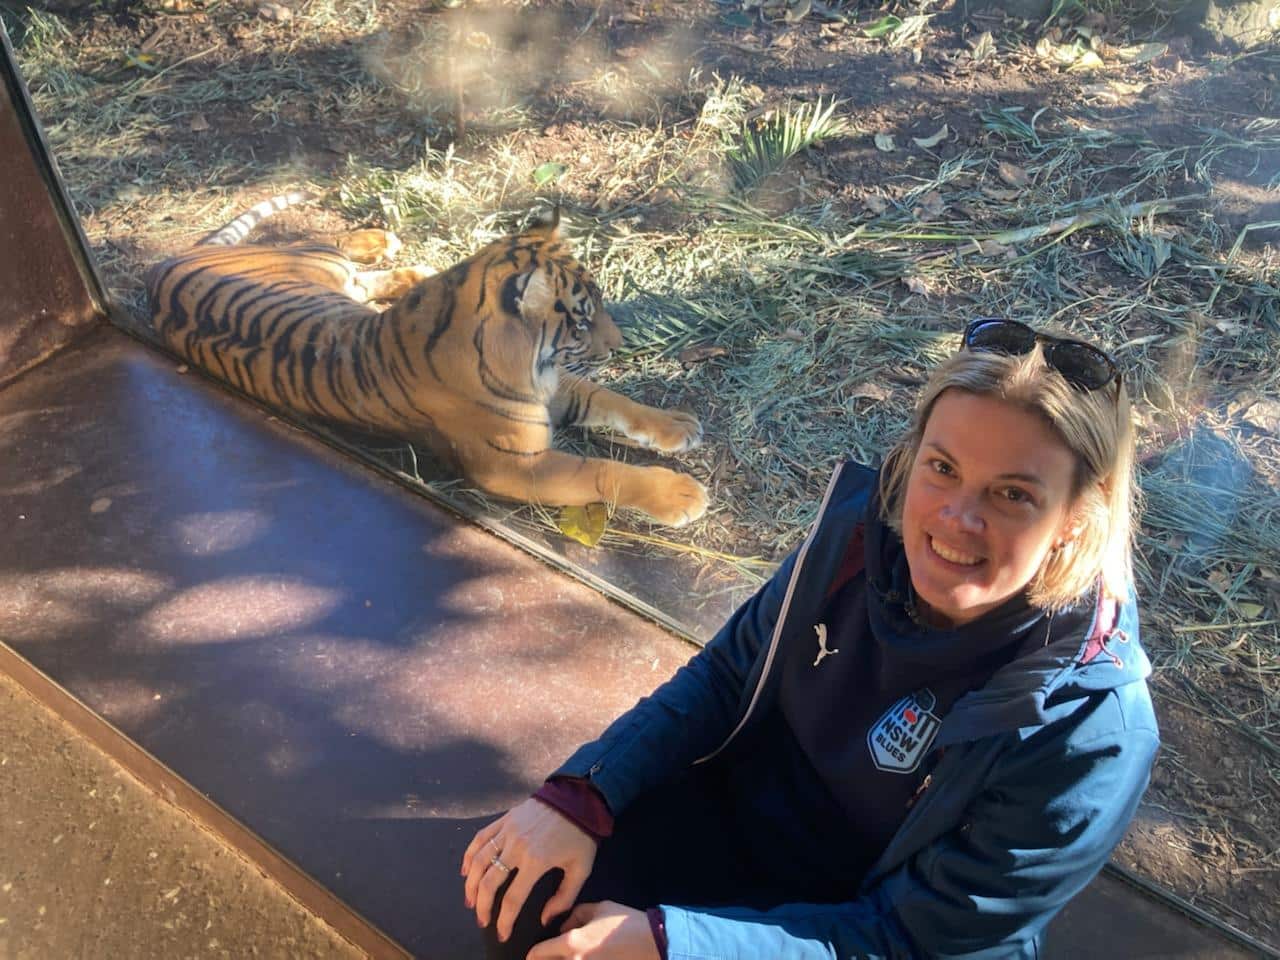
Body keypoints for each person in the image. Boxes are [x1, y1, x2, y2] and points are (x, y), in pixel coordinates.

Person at [460, 318, 1159, 959]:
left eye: (1012, 495)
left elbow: (920, 941)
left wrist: (681, 946)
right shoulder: (858, 539)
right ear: (912, 456)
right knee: (524, 904)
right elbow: (727, 675)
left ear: (1076, 514)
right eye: (942, 468)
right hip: (741, 828)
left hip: (873, 923)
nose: (956, 518)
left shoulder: (1092, 728)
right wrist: (587, 792)